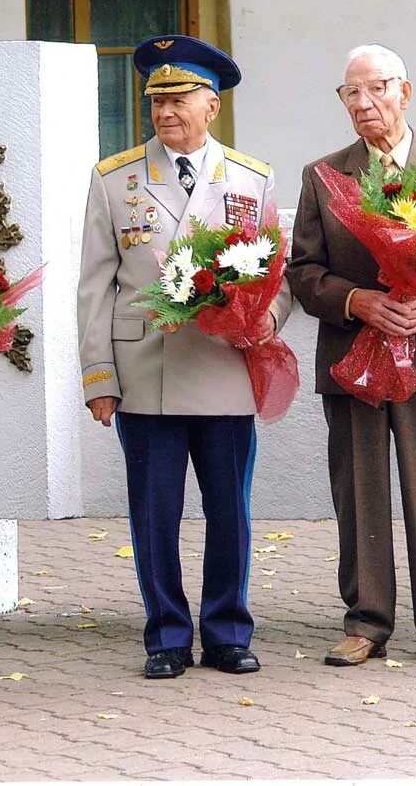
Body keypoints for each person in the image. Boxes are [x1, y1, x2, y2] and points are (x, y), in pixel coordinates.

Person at [77, 34, 290, 679]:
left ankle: (228, 630)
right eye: (157, 100)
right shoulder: (113, 179)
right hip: (149, 374)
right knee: (154, 512)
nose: (167, 112)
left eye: (181, 99)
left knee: (230, 512)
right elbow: (94, 285)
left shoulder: (252, 178)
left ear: (212, 105)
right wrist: (98, 377)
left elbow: (277, 277)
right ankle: (166, 633)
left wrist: (260, 323)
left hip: (224, 368)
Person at [287, 44, 416, 668]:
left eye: (376, 89)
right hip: (354, 355)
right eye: (350, 92)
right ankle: (366, 621)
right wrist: (356, 300)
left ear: (406, 92)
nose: (364, 103)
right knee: (359, 489)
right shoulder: (324, 175)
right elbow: (303, 271)